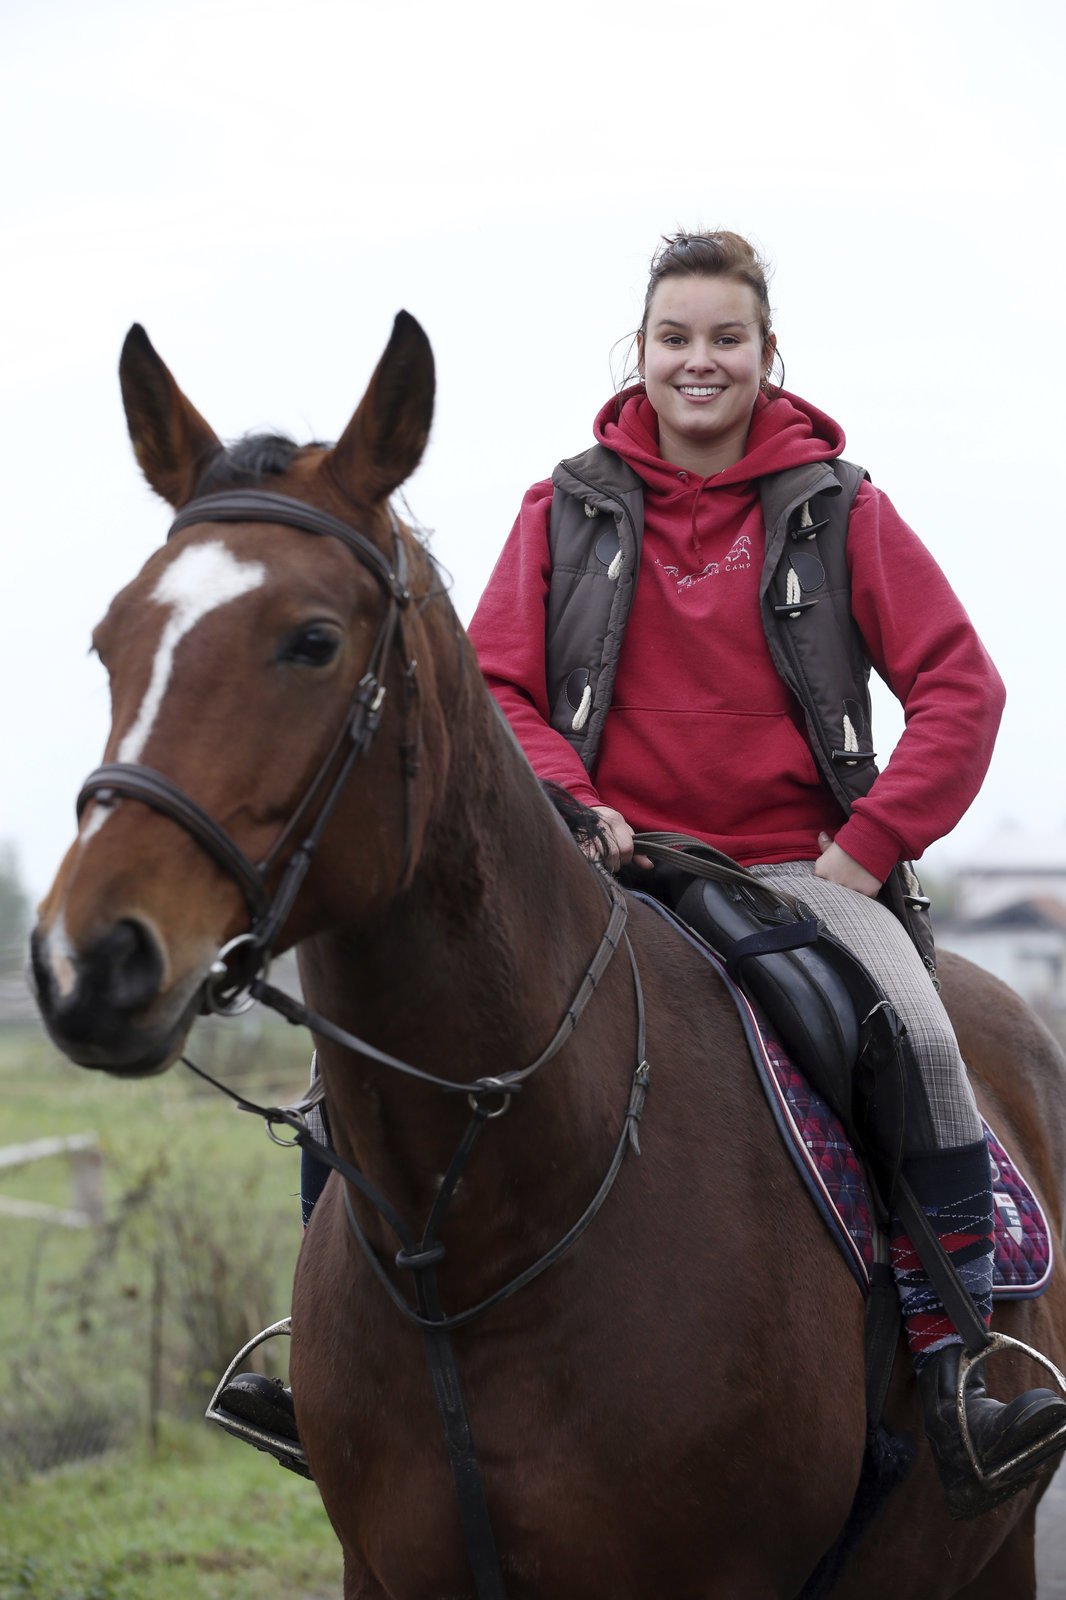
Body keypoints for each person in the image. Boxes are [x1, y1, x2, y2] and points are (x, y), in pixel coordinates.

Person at [215, 229, 1066, 1517]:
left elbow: (963, 689)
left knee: (924, 1049)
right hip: (603, 869)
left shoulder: (844, 509)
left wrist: (864, 851)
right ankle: (325, 1369)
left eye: (727, 337)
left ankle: (965, 1367)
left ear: (770, 357)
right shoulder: (564, 507)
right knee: (364, 1066)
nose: (700, 360)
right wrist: (578, 804)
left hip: (805, 878)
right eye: (677, 337)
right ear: (642, 353)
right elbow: (494, 684)